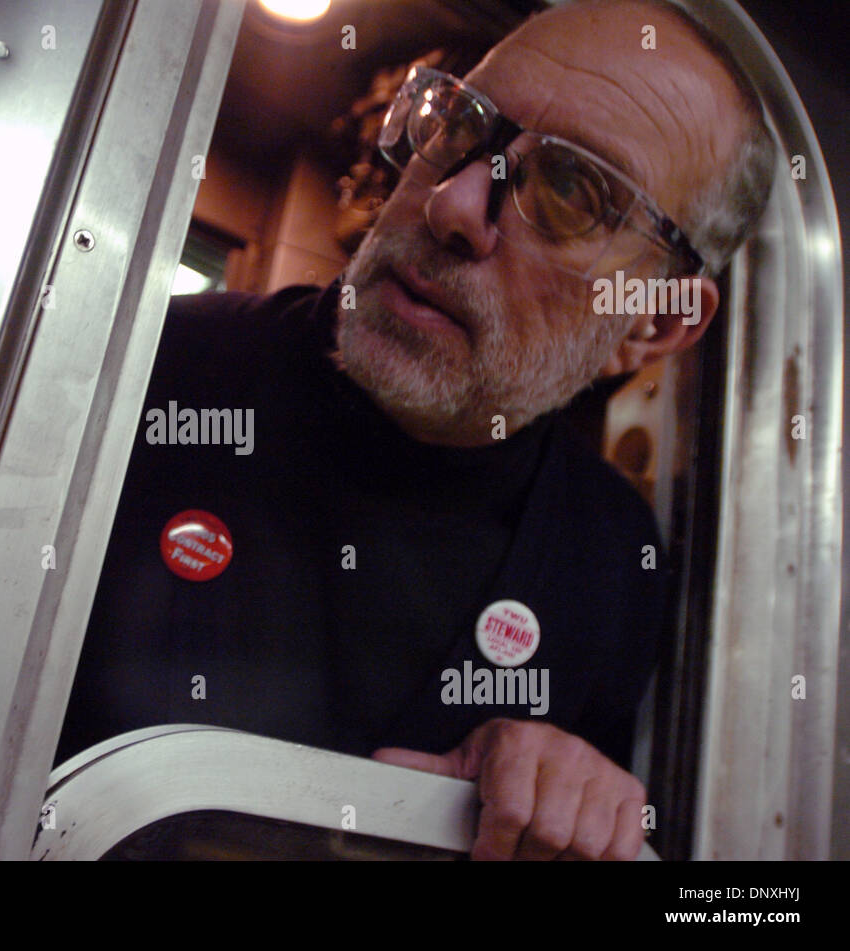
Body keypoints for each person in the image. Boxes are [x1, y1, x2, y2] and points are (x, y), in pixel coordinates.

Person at [56, 0, 776, 860]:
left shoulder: (614, 564)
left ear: (651, 325)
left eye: (572, 190)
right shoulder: (146, 370)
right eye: (456, 125)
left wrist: (566, 801)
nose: (454, 201)